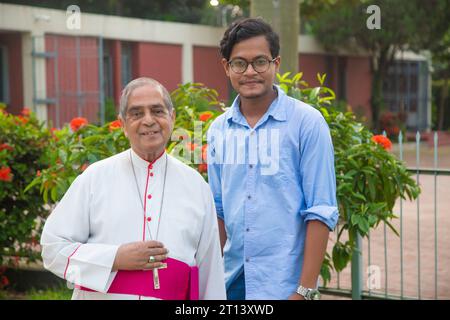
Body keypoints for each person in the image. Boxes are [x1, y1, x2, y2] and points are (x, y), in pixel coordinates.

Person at [41, 77, 226, 300]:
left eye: (157, 111)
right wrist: (115, 257)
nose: (148, 121)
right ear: (123, 124)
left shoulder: (196, 186)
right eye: (137, 113)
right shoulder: (95, 178)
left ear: (172, 117)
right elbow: (52, 249)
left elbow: (210, 275)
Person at [207, 18, 339, 300]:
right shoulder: (218, 129)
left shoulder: (307, 123)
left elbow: (321, 210)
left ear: (276, 64)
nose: (250, 71)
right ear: (226, 67)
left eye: (260, 62)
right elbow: (218, 210)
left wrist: (303, 291)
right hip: (232, 282)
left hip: (284, 285)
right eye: (240, 63)